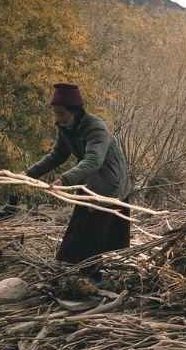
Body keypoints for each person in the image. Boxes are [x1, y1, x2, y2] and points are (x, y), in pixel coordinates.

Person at [25, 83, 132, 264]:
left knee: (93, 235)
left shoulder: (95, 127)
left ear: (73, 111)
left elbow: (93, 160)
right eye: (56, 113)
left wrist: (64, 180)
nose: (58, 118)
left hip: (109, 184)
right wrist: (29, 173)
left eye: (61, 113)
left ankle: (92, 273)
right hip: (89, 182)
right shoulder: (65, 127)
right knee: (79, 232)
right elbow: (56, 155)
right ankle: (77, 269)